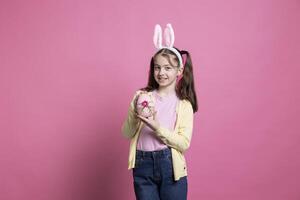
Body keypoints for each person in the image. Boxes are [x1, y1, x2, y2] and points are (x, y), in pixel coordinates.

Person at [122, 23, 198, 200]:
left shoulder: (184, 104)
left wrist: (157, 127)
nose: (161, 72)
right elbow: (126, 133)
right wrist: (134, 111)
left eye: (167, 68)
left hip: (170, 167)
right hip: (142, 165)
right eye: (157, 67)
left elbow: (183, 144)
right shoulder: (142, 97)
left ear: (179, 71)